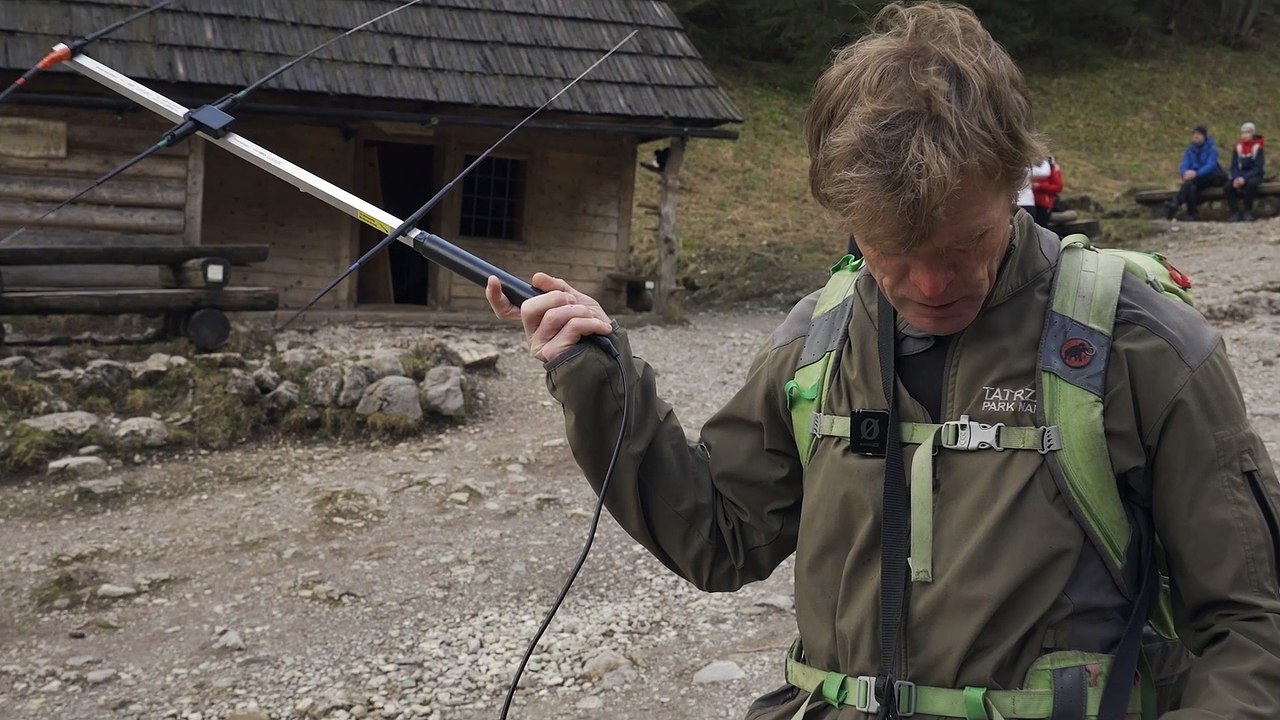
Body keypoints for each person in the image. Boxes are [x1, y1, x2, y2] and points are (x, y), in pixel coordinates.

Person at [486, 3, 1280, 719]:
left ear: (1015, 188)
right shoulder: (818, 341)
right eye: (893, 251)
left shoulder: (1141, 345)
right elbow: (720, 540)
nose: (931, 286)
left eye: (966, 242)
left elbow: (1253, 625)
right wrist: (594, 376)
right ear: (844, 217)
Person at [1165, 124, 1225, 220]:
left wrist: (1196, 173)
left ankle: (1177, 202)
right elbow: (1184, 164)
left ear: (1204, 136)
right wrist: (1185, 173)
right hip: (1196, 179)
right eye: (1194, 134)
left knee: (1190, 183)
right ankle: (1192, 214)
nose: (1196, 136)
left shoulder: (1212, 149)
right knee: (1191, 187)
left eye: (1199, 134)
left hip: (1212, 178)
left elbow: (1210, 166)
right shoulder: (1189, 151)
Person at [1226, 121, 1266, 222]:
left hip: (1254, 174)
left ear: (1252, 133)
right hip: (1240, 174)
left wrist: (1244, 178)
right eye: (1243, 133)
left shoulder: (1258, 147)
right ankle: (1235, 212)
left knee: (1251, 184)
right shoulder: (1238, 147)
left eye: (1247, 133)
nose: (1244, 135)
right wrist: (1236, 177)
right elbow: (1234, 165)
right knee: (1227, 187)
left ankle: (1247, 211)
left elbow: (1258, 167)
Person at [1015, 159, 1051, 224]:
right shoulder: (1027, 170)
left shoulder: (1010, 172)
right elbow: (1046, 172)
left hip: (1015, 203)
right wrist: (1045, 160)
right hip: (1028, 203)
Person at [1031, 155, 1063, 227]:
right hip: (1031, 202)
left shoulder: (1053, 168)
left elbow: (1058, 187)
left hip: (1045, 203)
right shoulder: (1032, 167)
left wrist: (1040, 186)